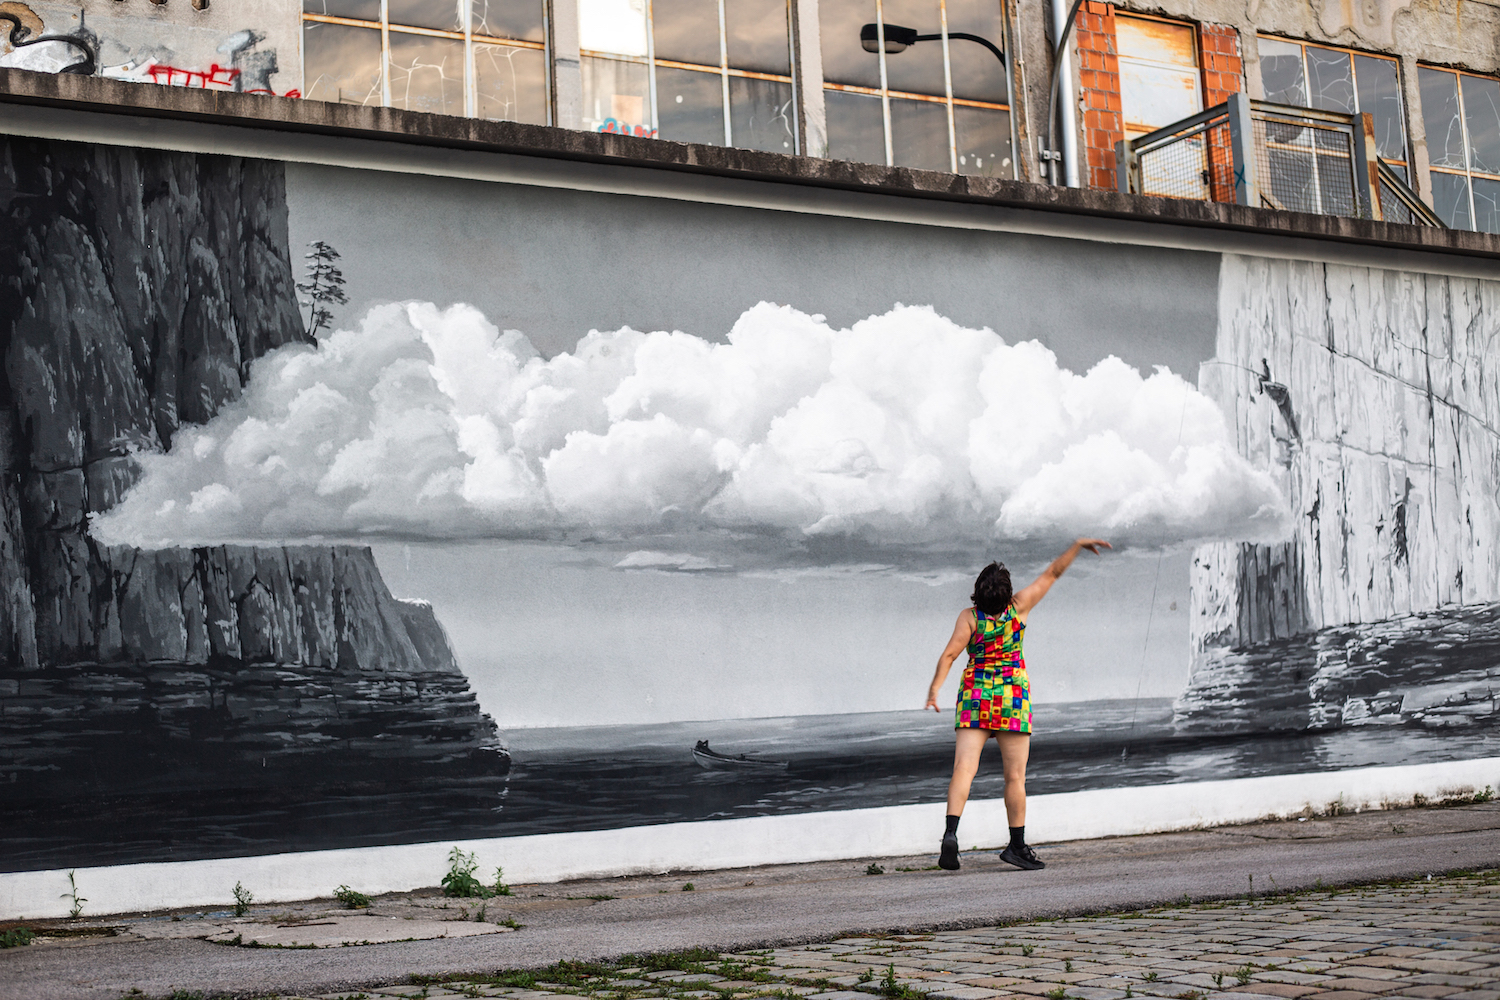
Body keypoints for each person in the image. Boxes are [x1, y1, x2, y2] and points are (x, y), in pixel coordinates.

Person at [924, 538, 1112, 872]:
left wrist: (934, 690)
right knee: (1015, 777)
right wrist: (1077, 545)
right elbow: (1052, 573)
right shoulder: (1019, 607)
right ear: (1007, 593)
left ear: (978, 592)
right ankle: (1016, 846)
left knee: (964, 769)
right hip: (1011, 699)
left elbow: (950, 654)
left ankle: (951, 833)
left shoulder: (969, 619)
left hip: (975, 697)